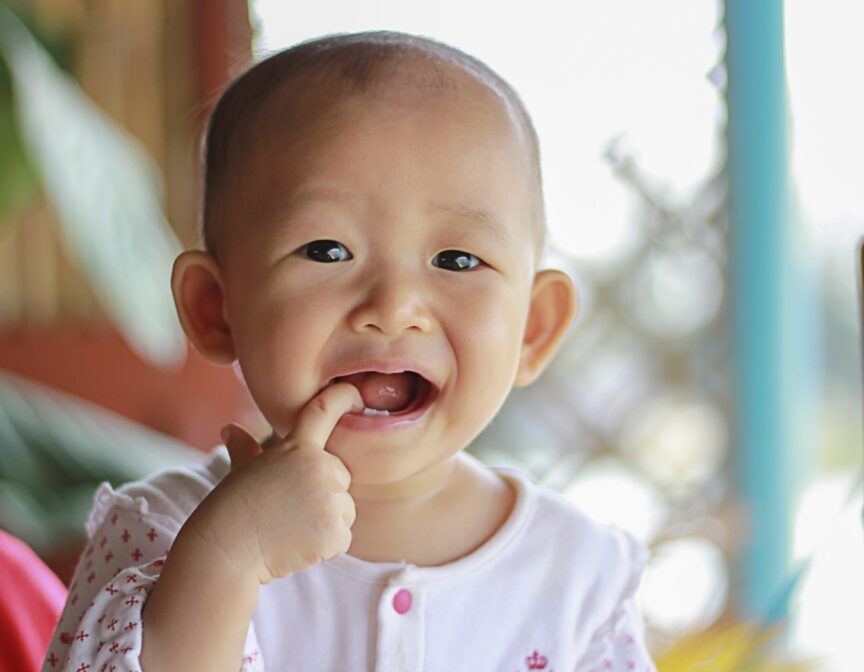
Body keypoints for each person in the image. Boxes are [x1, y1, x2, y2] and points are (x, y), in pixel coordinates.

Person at [44, 31, 657, 672]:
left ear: (533, 327)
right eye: (328, 251)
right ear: (214, 308)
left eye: (457, 259)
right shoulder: (160, 533)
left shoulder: (582, 577)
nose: (394, 307)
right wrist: (227, 559)